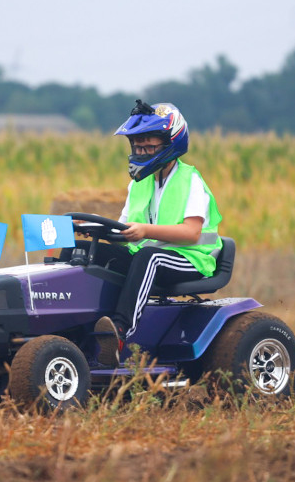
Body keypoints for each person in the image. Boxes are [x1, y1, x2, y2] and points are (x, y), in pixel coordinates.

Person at [93, 100, 223, 365]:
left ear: (170, 145)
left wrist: (144, 231)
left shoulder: (191, 181)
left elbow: (192, 233)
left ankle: (118, 333)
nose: (141, 151)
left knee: (149, 256)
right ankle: (76, 323)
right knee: (87, 252)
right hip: (149, 255)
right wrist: (96, 231)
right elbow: (124, 227)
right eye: (138, 146)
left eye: (149, 146)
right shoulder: (138, 185)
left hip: (192, 258)